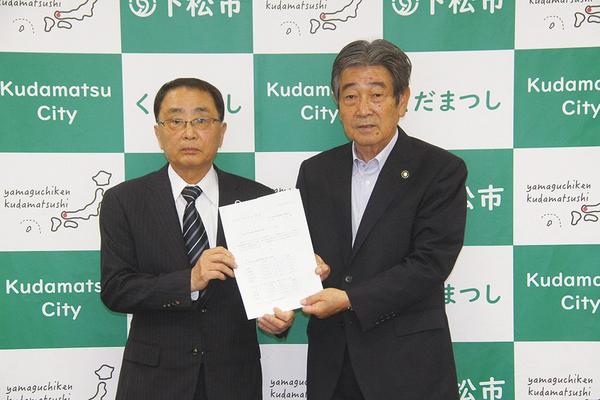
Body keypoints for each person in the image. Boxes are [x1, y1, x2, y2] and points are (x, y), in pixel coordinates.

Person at [100, 78, 300, 400]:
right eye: (176, 121)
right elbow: (116, 290)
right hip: (153, 382)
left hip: (234, 379)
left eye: (202, 120)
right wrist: (189, 280)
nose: (189, 132)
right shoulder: (124, 201)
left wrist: (280, 318)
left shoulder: (259, 200)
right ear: (158, 133)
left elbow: (275, 291)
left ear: (221, 132)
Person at [297, 39, 467, 400]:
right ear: (337, 104)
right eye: (350, 97)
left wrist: (349, 298)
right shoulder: (315, 172)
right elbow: (302, 254)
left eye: (376, 95)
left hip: (407, 366)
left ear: (402, 101)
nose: (363, 110)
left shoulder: (439, 170)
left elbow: (430, 264)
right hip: (333, 365)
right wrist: (298, 277)